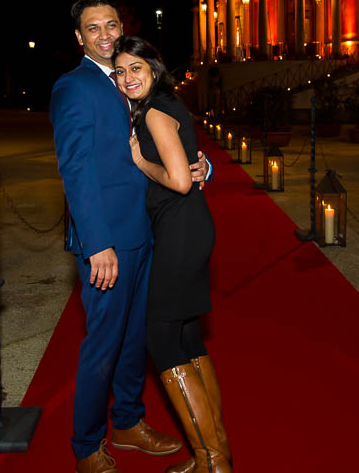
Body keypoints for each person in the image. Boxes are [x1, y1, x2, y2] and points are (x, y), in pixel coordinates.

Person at [50, 0, 208, 473]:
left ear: (121, 28)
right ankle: (86, 445)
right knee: (103, 342)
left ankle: (128, 421)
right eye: (93, 27)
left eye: (111, 24)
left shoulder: (131, 79)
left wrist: (200, 169)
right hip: (108, 243)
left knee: (135, 336)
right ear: (79, 38)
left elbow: (166, 146)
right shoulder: (74, 88)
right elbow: (76, 170)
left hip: (147, 232)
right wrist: (96, 243)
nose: (105, 34)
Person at [112, 36, 231, 473]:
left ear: (154, 69)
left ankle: (212, 460)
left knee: (161, 340)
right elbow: (191, 168)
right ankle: (215, 453)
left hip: (181, 232)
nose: (128, 78)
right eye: (121, 71)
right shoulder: (166, 104)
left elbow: (180, 180)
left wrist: (142, 163)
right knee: (186, 338)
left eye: (136, 69)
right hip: (191, 228)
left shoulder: (157, 112)